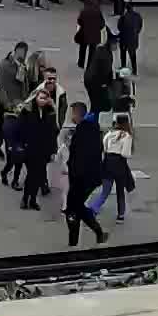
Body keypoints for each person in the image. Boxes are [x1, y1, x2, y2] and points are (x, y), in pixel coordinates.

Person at [65, 102, 110, 246]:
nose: (71, 117)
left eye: (72, 113)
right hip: (87, 177)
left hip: (82, 178)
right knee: (76, 207)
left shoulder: (84, 131)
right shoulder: (90, 128)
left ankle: (77, 241)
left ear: (78, 114)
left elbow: (81, 157)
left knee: (74, 208)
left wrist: (73, 173)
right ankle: (95, 234)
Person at [17, 87, 61, 210]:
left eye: (45, 98)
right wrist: (20, 145)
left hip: (43, 150)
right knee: (31, 174)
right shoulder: (27, 111)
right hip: (30, 148)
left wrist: (53, 150)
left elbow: (53, 133)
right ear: (35, 98)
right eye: (40, 98)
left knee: (38, 176)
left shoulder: (50, 112)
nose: (43, 100)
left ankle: (32, 199)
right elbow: (20, 129)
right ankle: (26, 198)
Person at [91, 112, 137, 222]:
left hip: (107, 163)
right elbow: (126, 154)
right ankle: (120, 215)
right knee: (120, 191)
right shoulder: (126, 136)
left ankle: (93, 208)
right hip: (119, 165)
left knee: (105, 191)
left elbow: (105, 148)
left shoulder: (109, 134)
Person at [0, 42, 34, 159]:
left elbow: (23, 83)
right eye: (22, 52)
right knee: (1, 124)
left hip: (18, 101)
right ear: (16, 51)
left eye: (25, 53)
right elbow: (0, 86)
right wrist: (6, 103)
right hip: (6, 101)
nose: (24, 55)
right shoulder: (4, 65)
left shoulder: (22, 65)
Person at [75, 0, 106, 69]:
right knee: (92, 51)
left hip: (84, 33)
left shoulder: (83, 11)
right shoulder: (98, 12)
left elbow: (79, 21)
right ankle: (89, 64)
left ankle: (81, 63)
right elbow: (102, 24)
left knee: (82, 48)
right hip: (94, 35)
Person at [116, 4, 142, 73]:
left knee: (123, 54)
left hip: (124, 40)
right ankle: (135, 70)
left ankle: (124, 69)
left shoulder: (123, 17)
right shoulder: (137, 16)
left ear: (126, 9)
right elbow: (140, 26)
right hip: (133, 40)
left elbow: (119, 27)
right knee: (133, 56)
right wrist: (136, 33)